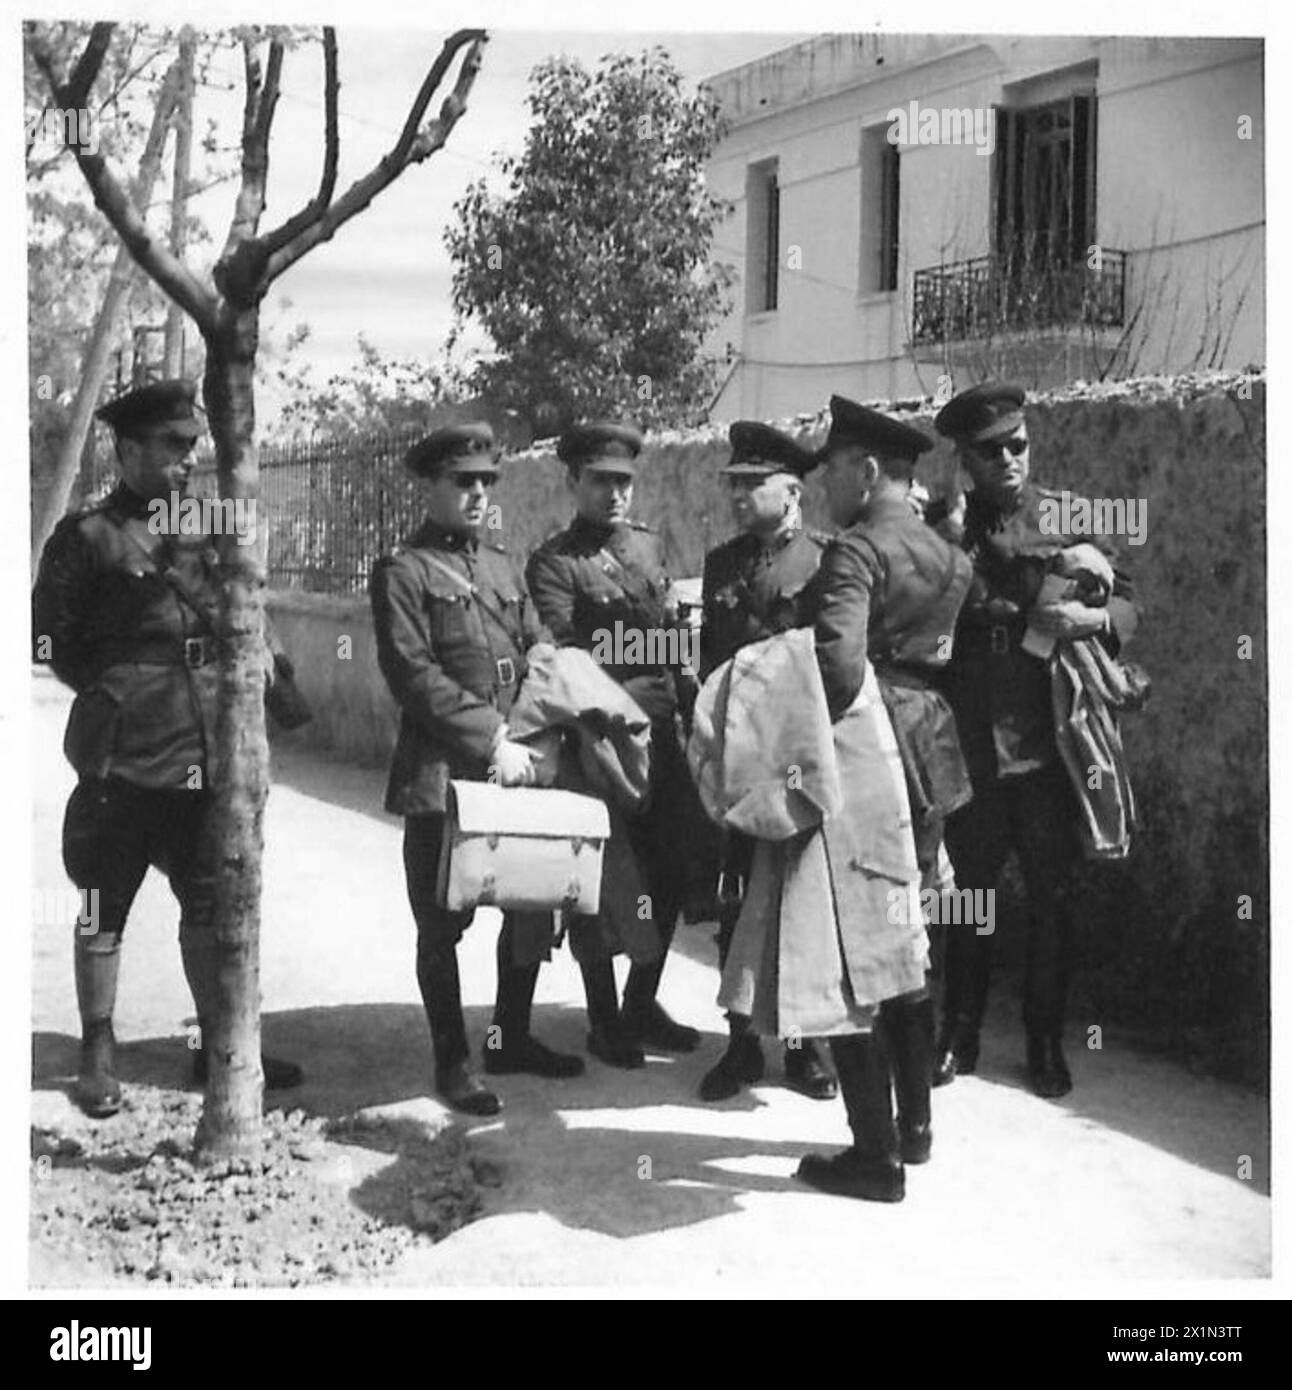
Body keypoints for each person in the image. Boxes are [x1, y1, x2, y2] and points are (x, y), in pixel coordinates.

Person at [31, 379, 303, 1119]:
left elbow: (247, 607)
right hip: (123, 754)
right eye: (173, 447)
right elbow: (47, 636)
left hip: (206, 751)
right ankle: (97, 1052)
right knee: (101, 902)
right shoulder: (87, 538)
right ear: (127, 450)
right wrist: (114, 685)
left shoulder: (211, 528)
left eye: (192, 447)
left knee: (209, 903)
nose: (188, 461)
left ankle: (219, 1048)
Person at [931, 383, 1139, 1098]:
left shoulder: (1065, 514)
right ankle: (958, 1030)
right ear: (966, 462)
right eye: (993, 452)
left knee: (1052, 899)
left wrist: (1094, 622)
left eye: (1019, 444)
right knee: (969, 896)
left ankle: (1046, 1040)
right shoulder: (945, 528)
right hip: (972, 738)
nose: (1011, 460)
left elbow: (1127, 600)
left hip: (1049, 741)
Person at [370, 422, 584, 1117]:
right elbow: (412, 674)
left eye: (486, 481)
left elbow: (538, 645)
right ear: (429, 487)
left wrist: (529, 731)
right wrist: (490, 737)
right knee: (440, 923)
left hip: (516, 763)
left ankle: (508, 1035)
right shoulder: (403, 571)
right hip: (442, 772)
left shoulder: (500, 565)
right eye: (462, 481)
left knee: (526, 908)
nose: (477, 493)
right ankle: (451, 1059)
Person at [794, 396, 973, 1201]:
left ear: (867, 474)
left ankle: (874, 1157)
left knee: (852, 950)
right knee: (906, 940)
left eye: (831, 470)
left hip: (869, 753)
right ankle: (919, 1131)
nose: (822, 485)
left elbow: (836, 668)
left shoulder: (855, 552)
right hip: (932, 747)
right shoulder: (949, 554)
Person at [526, 422, 700, 1068]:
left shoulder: (651, 549)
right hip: (598, 740)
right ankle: (603, 1019)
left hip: (662, 737)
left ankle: (640, 1003)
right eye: (600, 481)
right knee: (597, 880)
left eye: (624, 481)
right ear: (573, 483)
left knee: (676, 869)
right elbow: (568, 656)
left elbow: (678, 632)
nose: (615, 494)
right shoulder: (555, 564)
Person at [697, 421, 837, 1103]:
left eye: (753, 485)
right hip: (739, 760)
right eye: (734, 485)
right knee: (734, 899)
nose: (738, 496)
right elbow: (708, 667)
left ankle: (806, 1046)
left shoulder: (824, 562)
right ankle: (740, 1040)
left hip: (796, 763)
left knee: (799, 900)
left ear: (792, 490)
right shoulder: (723, 565)